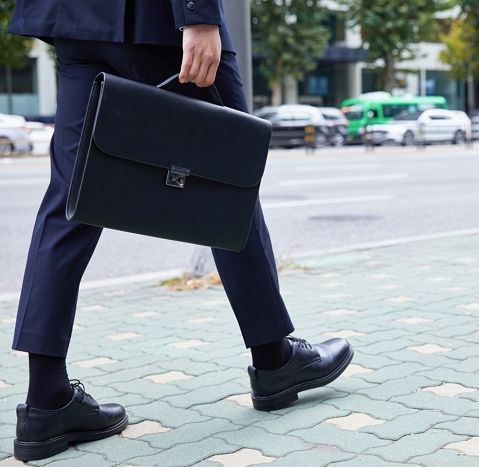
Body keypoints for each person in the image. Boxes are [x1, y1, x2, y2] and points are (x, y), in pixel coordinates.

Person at [8, 0, 354, 462]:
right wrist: (198, 14)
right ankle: (274, 359)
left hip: (75, 18)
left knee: (70, 201)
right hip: (159, 19)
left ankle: (45, 399)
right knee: (229, 173)